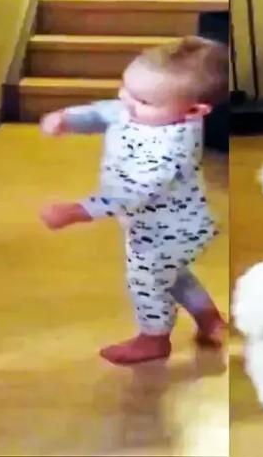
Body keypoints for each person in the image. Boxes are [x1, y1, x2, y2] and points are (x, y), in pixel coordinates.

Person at [39, 36, 229, 365]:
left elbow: (133, 190)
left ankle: (153, 338)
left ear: (194, 111)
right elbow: (106, 113)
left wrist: (79, 210)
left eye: (140, 99)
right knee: (172, 274)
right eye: (125, 88)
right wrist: (69, 118)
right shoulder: (146, 110)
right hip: (159, 225)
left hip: (170, 229)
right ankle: (210, 320)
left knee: (146, 280)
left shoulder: (171, 146)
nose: (126, 101)